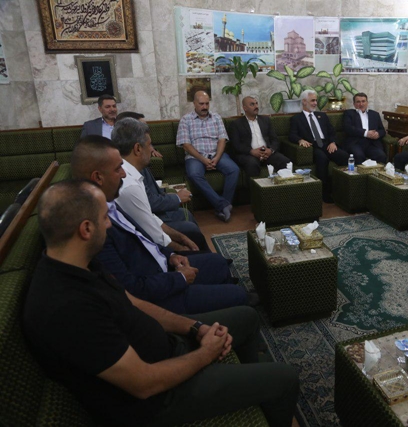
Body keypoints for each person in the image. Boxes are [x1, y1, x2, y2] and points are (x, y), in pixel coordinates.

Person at [23, 180, 299, 427]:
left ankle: (247, 385)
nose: (109, 225)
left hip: (167, 347)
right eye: (105, 218)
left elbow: (135, 303)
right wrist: (206, 353)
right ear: (86, 229)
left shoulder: (81, 263)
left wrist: (196, 328)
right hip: (158, 399)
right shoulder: (66, 307)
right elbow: (143, 383)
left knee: (247, 317)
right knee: (285, 378)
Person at [70, 135, 257, 314]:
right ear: (98, 177)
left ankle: (222, 300)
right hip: (162, 294)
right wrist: (180, 278)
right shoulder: (96, 228)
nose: (124, 173)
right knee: (238, 296)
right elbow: (132, 290)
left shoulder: (109, 204)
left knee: (218, 263)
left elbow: (142, 238)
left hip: (164, 267)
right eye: (118, 168)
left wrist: (171, 255)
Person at [111, 117, 209, 252]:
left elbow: (150, 218)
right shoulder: (129, 185)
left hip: (155, 226)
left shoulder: (132, 173)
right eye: (149, 144)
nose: (152, 149)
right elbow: (154, 234)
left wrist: (181, 238)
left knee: (189, 227)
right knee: (193, 232)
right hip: (151, 250)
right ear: (138, 148)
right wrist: (180, 249)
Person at [177, 91, 239, 222]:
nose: (204, 107)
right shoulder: (186, 120)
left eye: (206, 103)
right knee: (194, 174)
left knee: (234, 169)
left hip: (216, 154)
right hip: (195, 157)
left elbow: (222, 139)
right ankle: (222, 205)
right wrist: (203, 159)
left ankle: (222, 207)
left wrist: (217, 157)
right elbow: (186, 145)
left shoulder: (216, 117)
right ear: (194, 103)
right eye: (201, 104)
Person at [289, 89, 349, 203]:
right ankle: (324, 193)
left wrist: (333, 142)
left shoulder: (322, 115)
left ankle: (342, 190)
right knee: (322, 159)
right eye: (312, 101)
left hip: (327, 144)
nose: (315, 103)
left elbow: (332, 131)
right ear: (304, 102)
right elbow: (292, 135)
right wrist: (300, 140)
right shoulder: (297, 119)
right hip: (313, 146)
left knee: (344, 156)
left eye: (316, 100)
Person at [229, 96, 290, 177]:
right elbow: (236, 145)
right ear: (245, 108)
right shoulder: (236, 124)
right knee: (252, 164)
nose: (256, 106)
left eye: (256, 103)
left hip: (267, 153)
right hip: (249, 155)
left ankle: (283, 184)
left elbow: (275, 139)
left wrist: (270, 150)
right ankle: (255, 185)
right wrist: (251, 151)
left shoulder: (266, 120)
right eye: (252, 104)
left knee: (284, 161)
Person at [342, 92, 387, 165]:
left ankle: (376, 172)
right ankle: (360, 172)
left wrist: (377, 134)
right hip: (356, 143)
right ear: (354, 104)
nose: (361, 104)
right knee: (359, 155)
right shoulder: (349, 113)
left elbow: (382, 130)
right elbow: (348, 128)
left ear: (367, 102)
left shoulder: (374, 114)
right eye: (358, 102)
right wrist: (366, 133)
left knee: (381, 155)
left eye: (363, 101)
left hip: (371, 143)